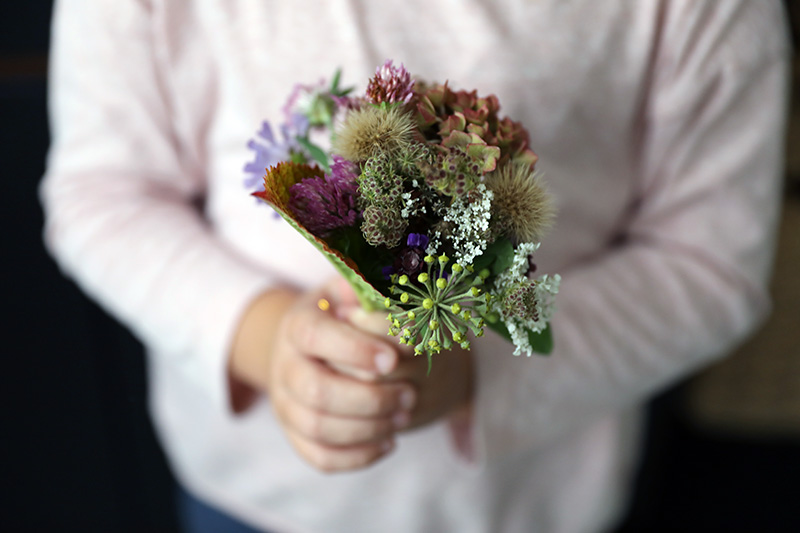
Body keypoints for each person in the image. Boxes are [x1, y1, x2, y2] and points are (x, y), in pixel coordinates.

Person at [40, 1, 790, 532]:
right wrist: (269, 341)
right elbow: (103, 192)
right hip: (251, 496)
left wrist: (472, 372)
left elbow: (710, 263)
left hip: (530, 504)